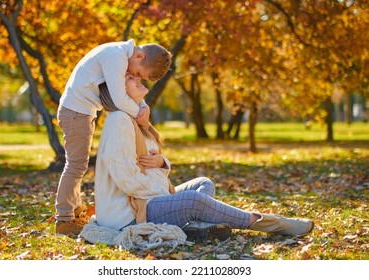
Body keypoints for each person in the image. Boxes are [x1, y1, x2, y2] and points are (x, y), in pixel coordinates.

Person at [93, 76, 314, 241]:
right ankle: (268, 223)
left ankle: (196, 224)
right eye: (130, 78)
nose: (138, 77)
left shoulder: (134, 120)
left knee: (203, 183)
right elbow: (126, 179)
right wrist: (166, 196)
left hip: (148, 199)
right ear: (118, 92)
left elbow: (149, 163)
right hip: (129, 214)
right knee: (193, 200)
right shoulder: (119, 121)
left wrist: (162, 161)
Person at [55, 39, 172, 237]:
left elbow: (125, 90)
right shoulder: (115, 56)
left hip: (83, 111)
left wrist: (143, 107)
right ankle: (64, 219)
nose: (135, 77)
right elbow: (119, 98)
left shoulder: (123, 57)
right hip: (75, 111)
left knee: (79, 164)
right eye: (138, 74)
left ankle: (75, 209)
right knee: (75, 165)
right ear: (140, 56)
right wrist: (139, 113)